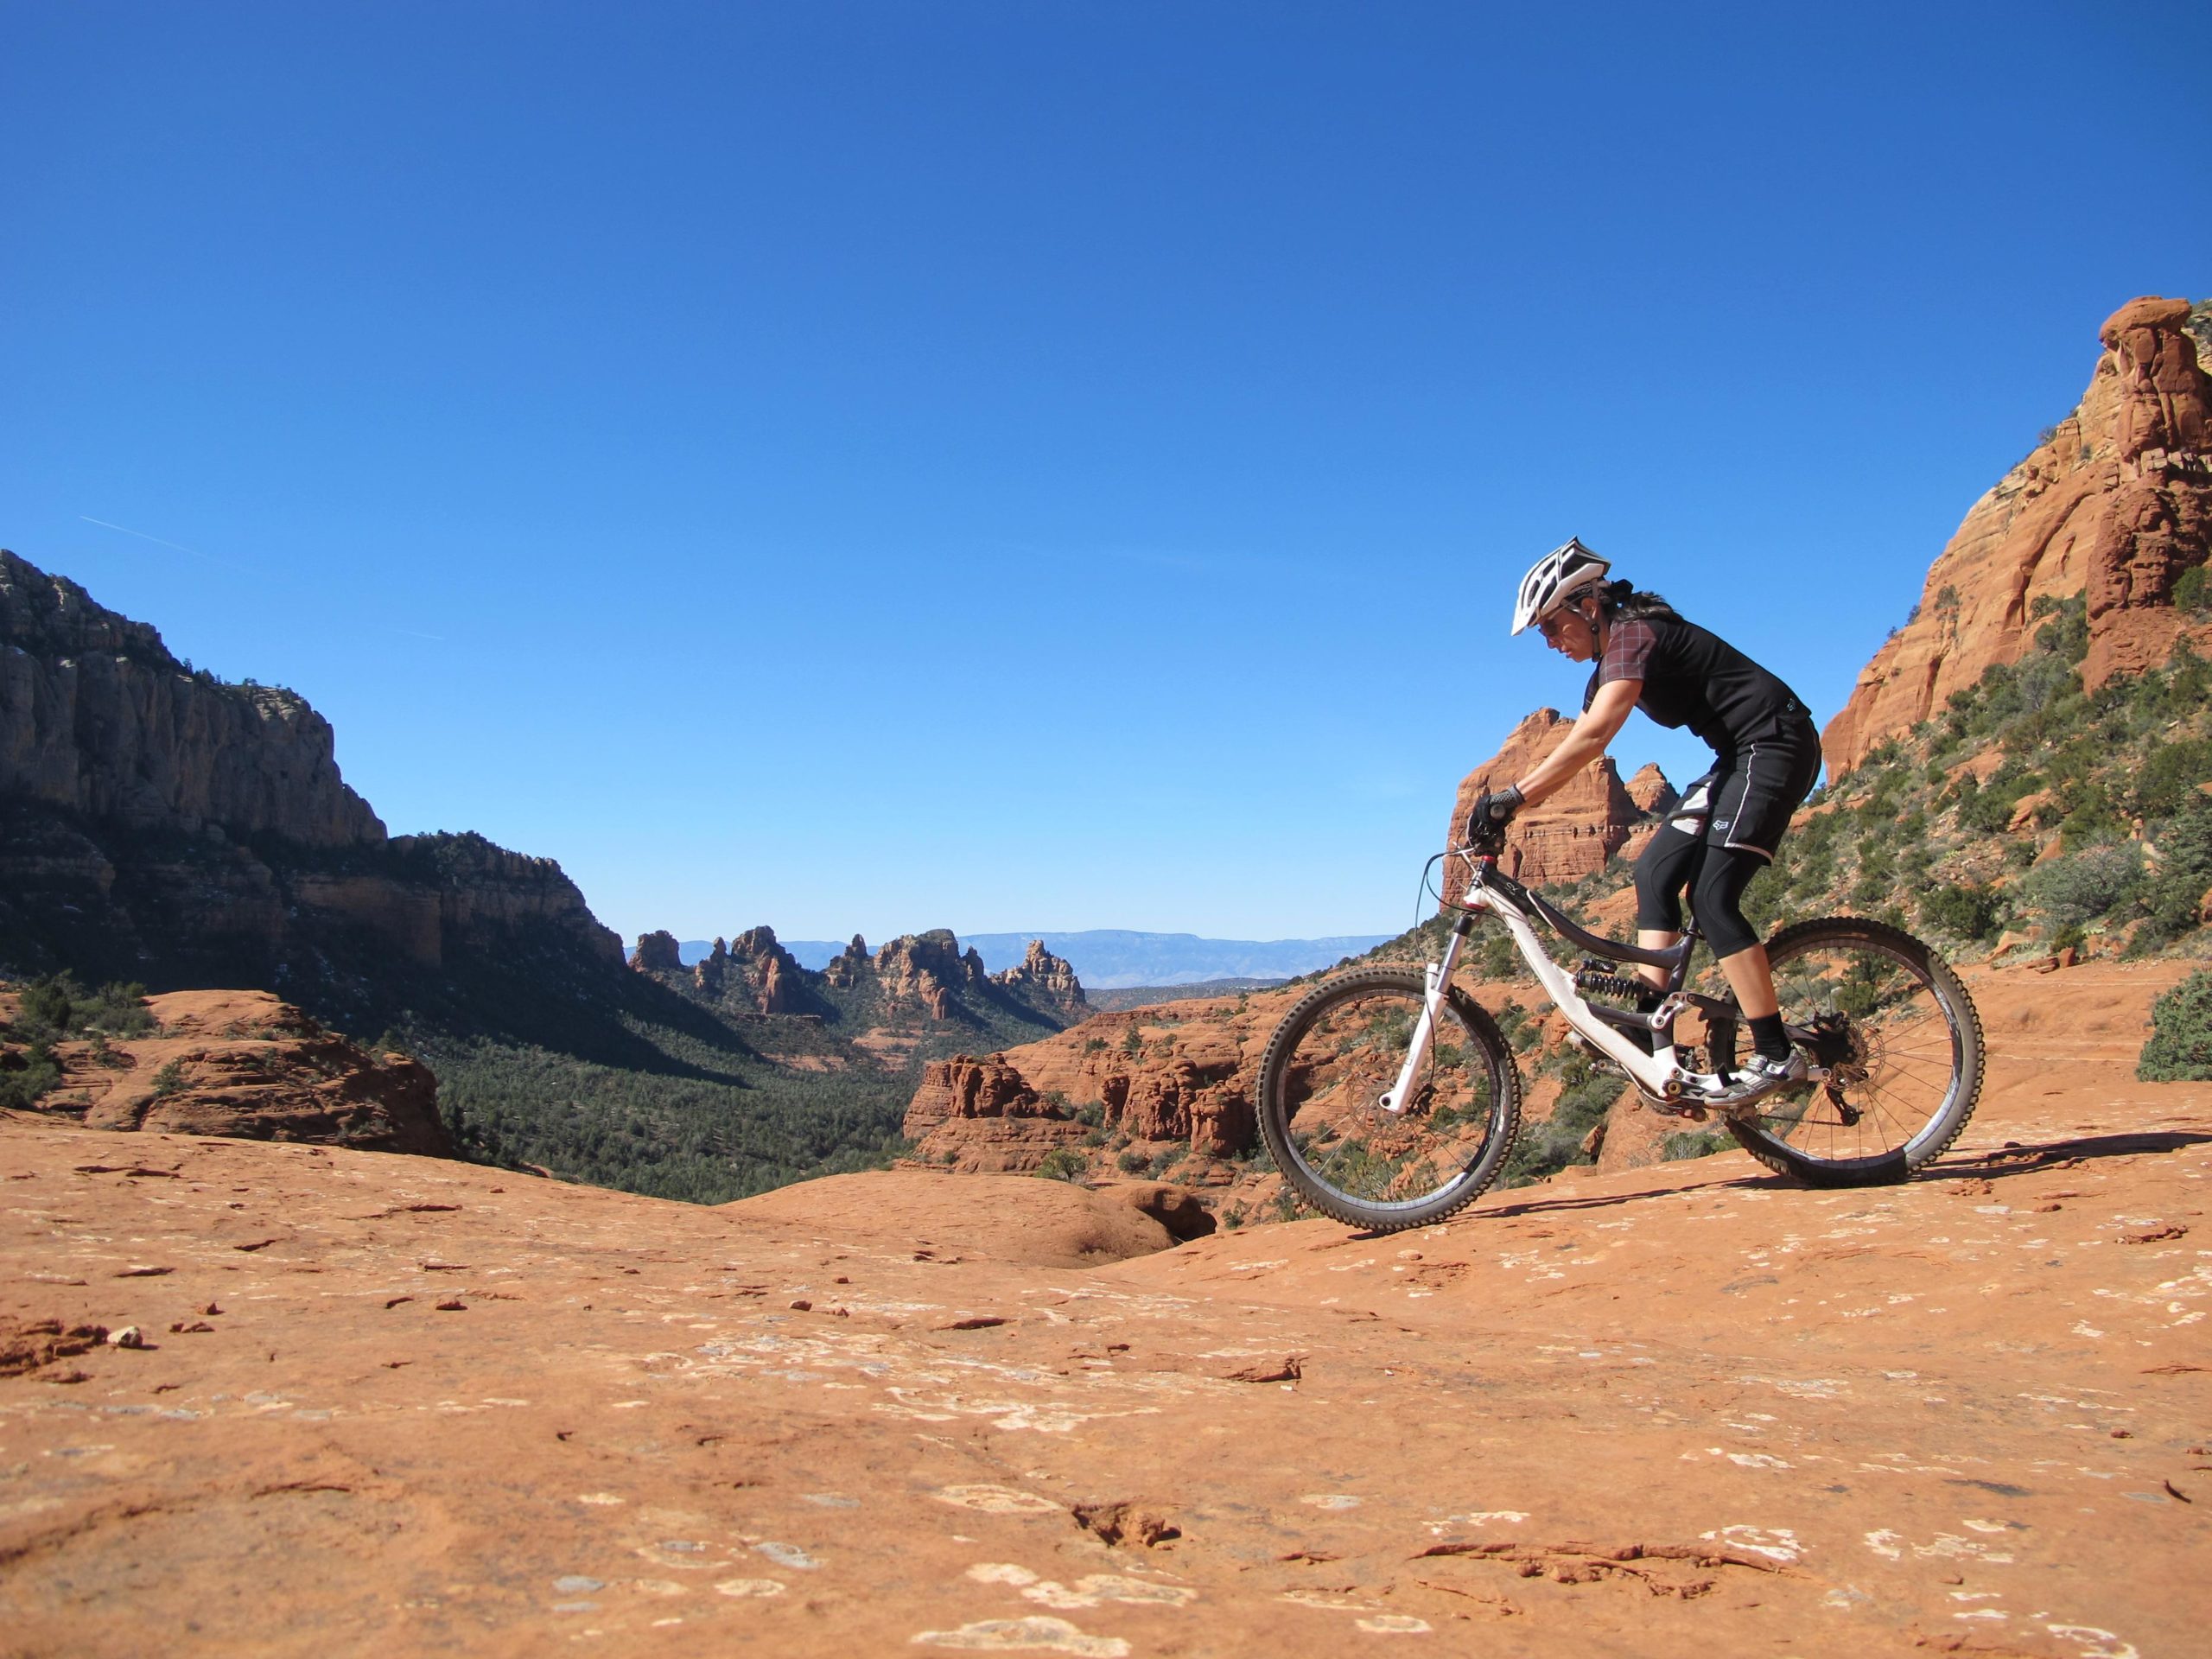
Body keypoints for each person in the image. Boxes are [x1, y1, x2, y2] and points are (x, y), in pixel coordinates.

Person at [1465, 537, 1823, 1105]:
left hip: (1775, 743)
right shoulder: (1612, 658)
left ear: (1586, 605)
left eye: (1552, 627)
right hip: (1736, 758)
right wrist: (1510, 806)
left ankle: (1778, 1055)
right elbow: (1580, 739)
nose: (1551, 642)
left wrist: (1511, 797)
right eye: (1543, 634)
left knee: (1711, 896)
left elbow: (1593, 736)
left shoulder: (1634, 634)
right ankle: (1649, 1023)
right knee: (1654, 874)